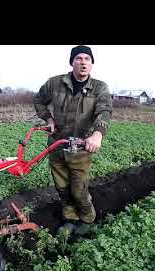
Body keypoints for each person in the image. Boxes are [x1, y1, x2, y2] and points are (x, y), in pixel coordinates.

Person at [33, 45, 113, 235]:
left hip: (81, 147)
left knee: (78, 188)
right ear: (72, 62)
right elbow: (38, 100)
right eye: (79, 58)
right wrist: (49, 119)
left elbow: (105, 111)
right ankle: (70, 218)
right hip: (56, 145)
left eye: (87, 59)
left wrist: (97, 134)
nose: (83, 62)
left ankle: (87, 219)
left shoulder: (99, 87)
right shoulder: (54, 83)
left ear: (92, 64)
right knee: (61, 187)